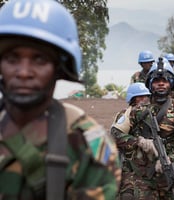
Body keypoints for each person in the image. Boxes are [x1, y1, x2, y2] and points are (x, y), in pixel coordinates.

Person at [0, 0, 121, 199]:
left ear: (60, 68)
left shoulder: (86, 145)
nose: (23, 72)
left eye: (39, 59)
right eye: (12, 59)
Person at [111, 58, 174, 199]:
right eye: (157, 81)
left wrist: (170, 159)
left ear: (171, 83)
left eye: (165, 80)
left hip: (172, 175)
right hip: (143, 178)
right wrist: (139, 142)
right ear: (150, 85)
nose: (161, 84)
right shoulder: (137, 110)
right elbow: (115, 134)